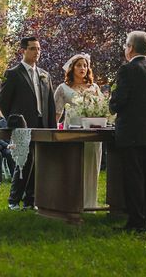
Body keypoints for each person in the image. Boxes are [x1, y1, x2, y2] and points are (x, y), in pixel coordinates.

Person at [109, 31, 146, 233]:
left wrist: (112, 103)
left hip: (133, 133)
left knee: (134, 178)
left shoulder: (127, 70)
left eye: (126, 45)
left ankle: (137, 222)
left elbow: (119, 101)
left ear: (131, 48)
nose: (125, 49)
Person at [0, 36, 56, 211]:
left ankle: (31, 200)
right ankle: (13, 200)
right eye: (32, 48)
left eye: (38, 48)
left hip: (42, 123)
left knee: (38, 161)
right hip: (22, 125)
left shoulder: (45, 75)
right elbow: (3, 101)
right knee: (24, 160)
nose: (36, 52)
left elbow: (50, 104)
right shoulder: (13, 73)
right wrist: (14, 120)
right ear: (23, 50)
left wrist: (51, 126)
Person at [54, 53, 104, 209]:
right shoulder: (63, 88)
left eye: (85, 65)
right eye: (79, 65)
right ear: (72, 68)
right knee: (72, 166)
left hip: (92, 131)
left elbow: (101, 109)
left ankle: (89, 204)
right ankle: (70, 203)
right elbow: (56, 113)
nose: (83, 68)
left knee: (91, 166)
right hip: (72, 131)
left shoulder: (94, 88)